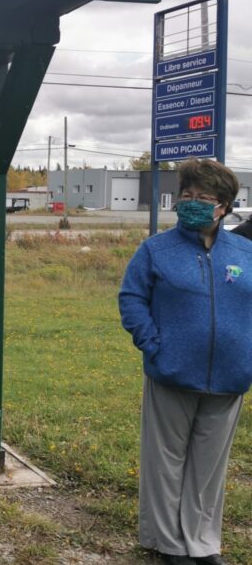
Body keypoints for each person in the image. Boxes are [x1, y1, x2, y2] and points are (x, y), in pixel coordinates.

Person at [118, 158, 252, 565]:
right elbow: (132, 297)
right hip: (171, 371)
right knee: (165, 463)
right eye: (186, 195)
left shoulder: (245, 251)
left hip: (229, 376)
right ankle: (169, 544)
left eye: (202, 197)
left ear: (224, 206)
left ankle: (202, 543)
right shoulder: (156, 249)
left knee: (208, 468)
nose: (191, 203)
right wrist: (152, 343)